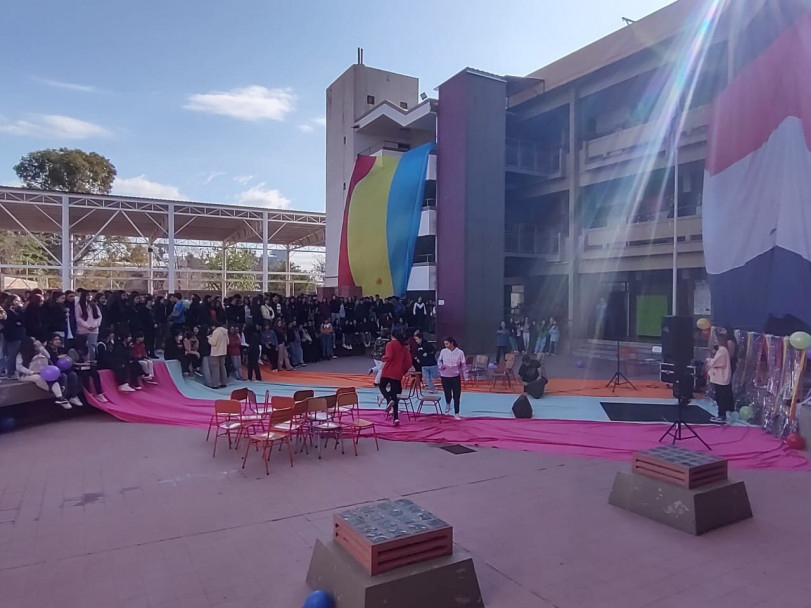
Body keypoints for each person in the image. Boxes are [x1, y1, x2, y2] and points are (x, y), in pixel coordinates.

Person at [16, 337, 71, 408]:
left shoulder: (38, 350)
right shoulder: (21, 354)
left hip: (41, 371)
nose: (36, 342)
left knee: (51, 378)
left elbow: (48, 356)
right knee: (38, 378)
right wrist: (32, 372)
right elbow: (19, 367)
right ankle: (54, 391)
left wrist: (41, 347)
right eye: (34, 341)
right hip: (26, 374)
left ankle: (61, 398)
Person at [379, 330, 413, 426]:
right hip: (398, 373)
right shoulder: (404, 347)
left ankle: (387, 399)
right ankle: (396, 418)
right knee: (396, 394)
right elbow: (409, 362)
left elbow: (389, 356)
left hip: (388, 370)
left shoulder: (390, 344)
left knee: (382, 386)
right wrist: (404, 371)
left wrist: (383, 358)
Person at [44, 334, 83, 407]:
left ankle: (74, 396)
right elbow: (49, 362)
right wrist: (57, 358)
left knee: (73, 374)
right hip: (52, 371)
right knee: (63, 376)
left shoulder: (61, 349)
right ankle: (63, 398)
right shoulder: (47, 350)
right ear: (50, 341)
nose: (58, 341)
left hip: (62, 369)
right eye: (55, 339)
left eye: (59, 339)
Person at [68, 334, 107, 402]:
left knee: (95, 373)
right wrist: (83, 364)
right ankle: (88, 393)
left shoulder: (86, 349)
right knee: (84, 375)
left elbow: (87, 360)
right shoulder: (72, 351)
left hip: (85, 366)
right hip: (77, 368)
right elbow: (72, 362)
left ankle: (99, 393)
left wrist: (90, 362)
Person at [438, 336, 469, 420]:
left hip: (455, 376)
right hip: (445, 376)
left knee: (457, 395)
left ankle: (457, 413)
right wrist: (441, 367)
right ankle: (448, 402)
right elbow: (439, 361)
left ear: (451, 343)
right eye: (445, 344)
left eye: (447, 344)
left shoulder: (460, 353)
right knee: (447, 393)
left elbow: (463, 366)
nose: (446, 345)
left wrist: (466, 377)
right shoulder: (443, 351)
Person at [707, 334, 733, 424]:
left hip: (721, 379)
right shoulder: (722, 350)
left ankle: (721, 416)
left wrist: (708, 360)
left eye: (716, 339)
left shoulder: (722, 351)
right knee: (720, 398)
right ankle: (721, 415)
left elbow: (716, 363)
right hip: (720, 378)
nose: (714, 341)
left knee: (721, 398)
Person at [75, 290, 102, 361]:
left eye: (90, 295)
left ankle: (92, 361)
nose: (89, 297)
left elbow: (99, 317)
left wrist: (95, 325)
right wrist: (87, 325)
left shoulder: (94, 306)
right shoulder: (79, 306)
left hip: (94, 330)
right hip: (82, 330)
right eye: (87, 295)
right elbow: (78, 318)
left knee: (92, 346)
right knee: (82, 348)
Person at [3, 294, 25, 377]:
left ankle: (12, 370)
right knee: (11, 354)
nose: (18, 302)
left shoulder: (19, 310)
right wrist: (16, 323)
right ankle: (9, 372)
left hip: (18, 334)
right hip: (12, 335)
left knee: (14, 353)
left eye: (18, 301)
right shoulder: (7, 311)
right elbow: (7, 322)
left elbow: (23, 320)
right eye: (16, 300)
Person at [208, 321, 228, 389]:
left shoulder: (216, 332)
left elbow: (213, 342)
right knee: (222, 367)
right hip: (223, 351)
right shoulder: (225, 331)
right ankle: (224, 382)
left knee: (215, 368)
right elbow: (227, 342)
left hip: (215, 352)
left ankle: (215, 384)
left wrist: (209, 338)